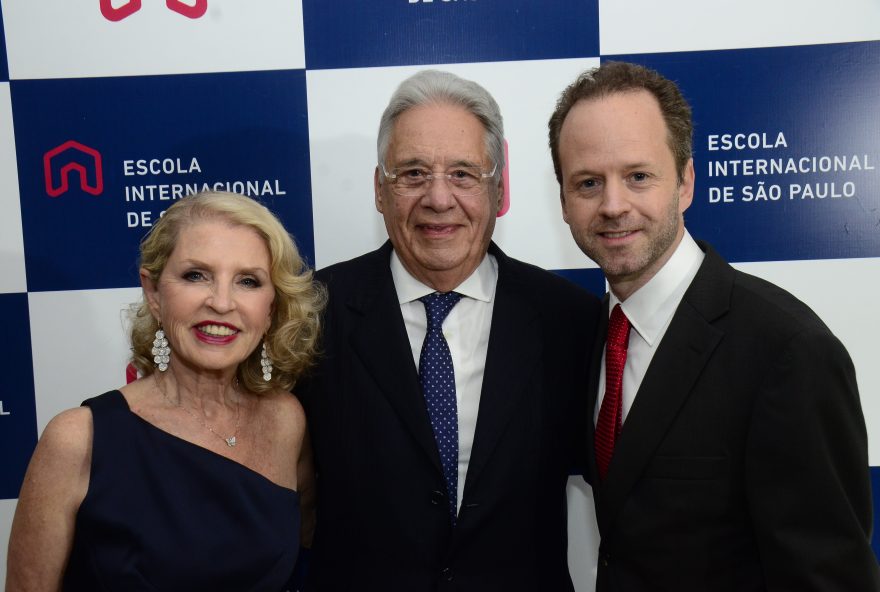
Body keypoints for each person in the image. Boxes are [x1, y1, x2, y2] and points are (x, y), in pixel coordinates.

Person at [548, 61, 879, 591]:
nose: (613, 206)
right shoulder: (594, 333)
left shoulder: (788, 351)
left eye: (638, 176)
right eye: (588, 182)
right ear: (563, 200)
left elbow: (829, 578)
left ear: (685, 183)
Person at [299, 70, 601, 591]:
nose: (439, 199)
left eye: (463, 174)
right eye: (413, 173)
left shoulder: (570, 322)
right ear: (379, 189)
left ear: (499, 190)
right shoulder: (308, 315)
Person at [6, 191, 324, 591]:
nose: (222, 302)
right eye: (196, 275)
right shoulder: (79, 440)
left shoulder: (285, 420)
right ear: (154, 293)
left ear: (271, 308)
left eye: (248, 281)